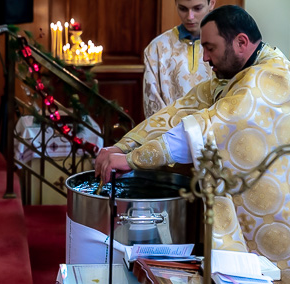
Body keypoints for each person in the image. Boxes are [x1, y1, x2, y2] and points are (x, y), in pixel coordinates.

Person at [96, 5, 290, 267]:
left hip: (275, 216)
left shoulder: (265, 79)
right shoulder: (239, 73)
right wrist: (122, 145)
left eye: (210, 49)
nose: (206, 59)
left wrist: (131, 160)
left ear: (241, 42)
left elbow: (201, 130)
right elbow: (181, 111)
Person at [143, 0, 215, 118]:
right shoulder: (157, 48)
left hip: (213, 130)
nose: (190, 17)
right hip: (170, 131)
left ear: (211, 3)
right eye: (183, 9)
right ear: (176, 4)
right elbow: (153, 104)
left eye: (197, 9)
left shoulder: (223, 46)